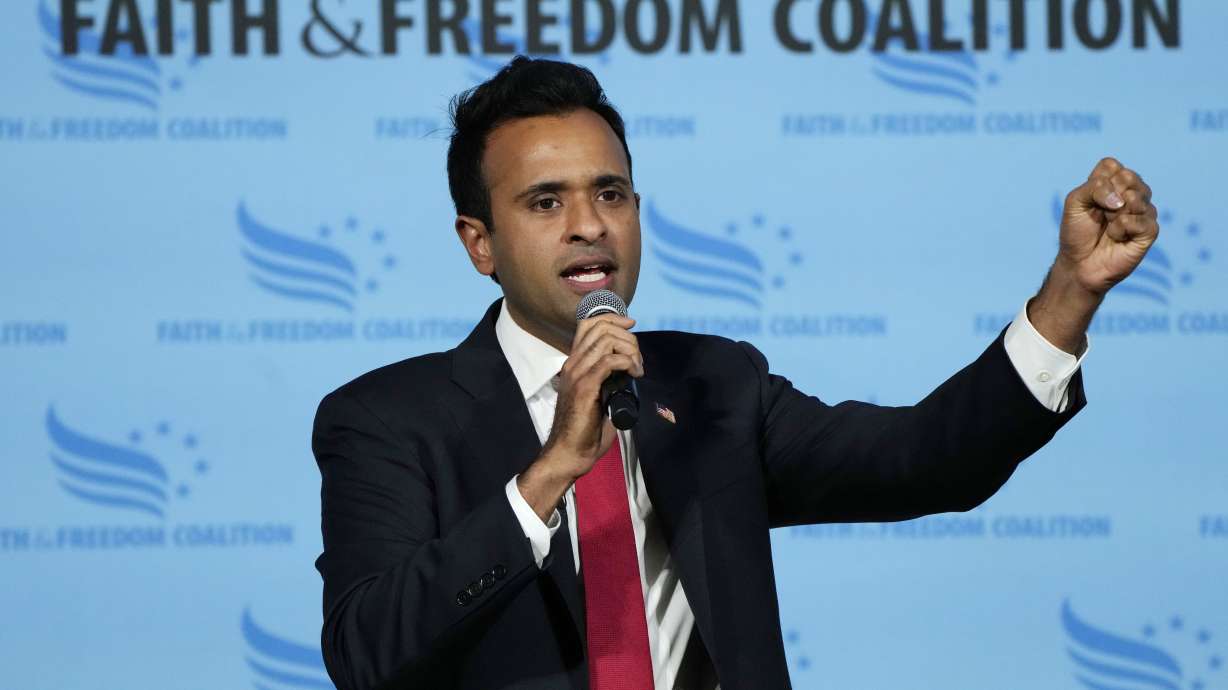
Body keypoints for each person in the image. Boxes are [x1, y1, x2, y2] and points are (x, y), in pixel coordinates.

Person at [311, 57, 1158, 690]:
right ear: (479, 243)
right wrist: (549, 476)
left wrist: (1068, 295)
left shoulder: (714, 383)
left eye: (611, 194)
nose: (588, 227)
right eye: (545, 202)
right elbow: (367, 651)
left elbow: (929, 457)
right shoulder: (387, 420)